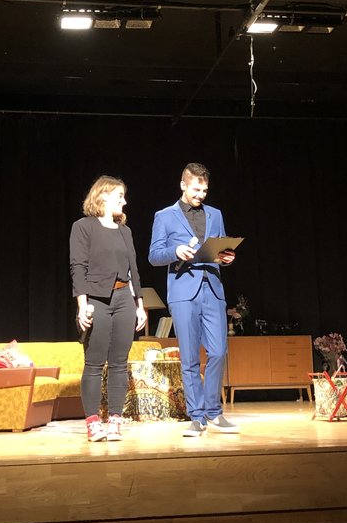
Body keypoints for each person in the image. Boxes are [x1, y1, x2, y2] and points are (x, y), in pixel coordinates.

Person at [148, 162, 238, 437]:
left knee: (218, 351)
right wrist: (175, 251)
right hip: (183, 292)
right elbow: (154, 255)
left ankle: (213, 411)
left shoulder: (215, 214)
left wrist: (227, 257)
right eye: (196, 189)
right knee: (189, 357)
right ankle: (197, 417)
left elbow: (220, 249)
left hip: (213, 289)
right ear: (183, 185)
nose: (201, 195)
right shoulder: (165, 216)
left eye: (205, 190)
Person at [70, 175, 147, 442]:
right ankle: (93, 423)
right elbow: (78, 268)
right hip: (97, 299)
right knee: (94, 363)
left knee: (119, 364)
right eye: (119, 196)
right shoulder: (83, 227)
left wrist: (140, 305)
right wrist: (83, 306)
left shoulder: (125, 231)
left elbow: (133, 270)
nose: (124, 202)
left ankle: (115, 420)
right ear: (102, 195)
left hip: (124, 298)